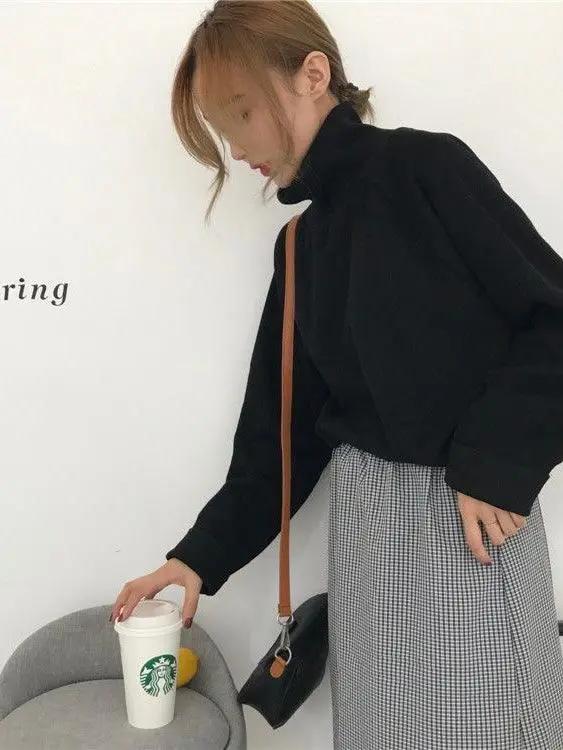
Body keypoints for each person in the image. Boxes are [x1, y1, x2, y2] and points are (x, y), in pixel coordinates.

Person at [110, 2, 563, 747]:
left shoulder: (426, 169)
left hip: (468, 528)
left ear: (313, 74)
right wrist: (195, 560)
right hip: (365, 541)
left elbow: (553, 317)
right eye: (223, 131)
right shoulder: (301, 245)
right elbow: (279, 442)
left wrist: (496, 459)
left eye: (241, 113)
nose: (238, 149)